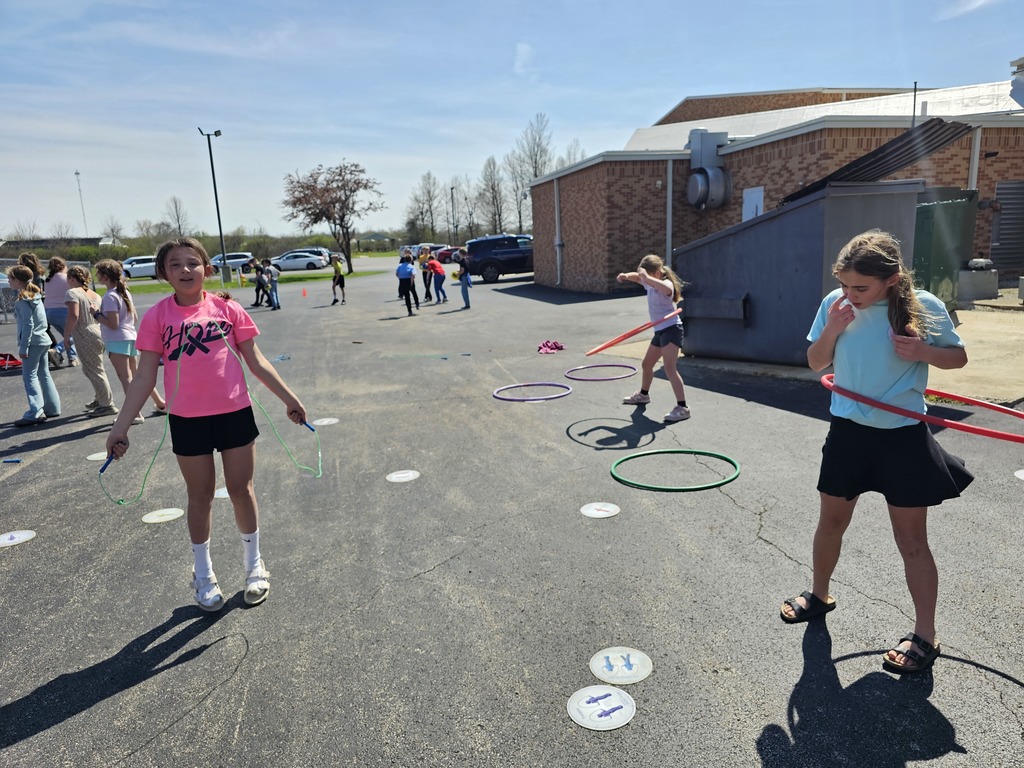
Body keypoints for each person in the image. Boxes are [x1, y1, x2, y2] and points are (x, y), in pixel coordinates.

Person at [779, 230, 973, 676]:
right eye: (845, 285)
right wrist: (832, 327)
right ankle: (819, 594)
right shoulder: (836, 305)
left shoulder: (923, 305)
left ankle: (926, 634)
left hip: (902, 436)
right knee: (831, 522)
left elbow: (956, 359)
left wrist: (922, 350)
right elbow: (815, 363)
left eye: (860, 287)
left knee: (911, 541)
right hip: (848, 433)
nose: (850, 294)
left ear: (891, 279)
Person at [106, 237, 307, 612]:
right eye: (176, 264)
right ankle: (203, 574)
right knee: (199, 496)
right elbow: (144, 375)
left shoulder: (228, 309)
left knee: (240, 489)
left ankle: (254, 567)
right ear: (164, 273)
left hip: (234, 413)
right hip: (187, 420)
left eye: (193, 263)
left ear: (206, 268)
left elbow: (257, 361)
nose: (185, 270)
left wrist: (289, 399)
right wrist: (120, 426)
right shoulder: (157, 317)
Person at [615, 254, 690, 422]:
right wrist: (627, 276)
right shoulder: (649, 282)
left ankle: (683, 407)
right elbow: (637, 278)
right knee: (646, 364)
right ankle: (643, 395)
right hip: (660, 330)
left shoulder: (665, 283)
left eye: (647, 276)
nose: (644, 280)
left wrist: (646, 277)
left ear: (657, 272)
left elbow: (664, 288)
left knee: (669, 368)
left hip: (671, 329)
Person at [94, 259, 166, 423]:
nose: (96, 276)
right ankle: (160, 403)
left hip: (117, 339)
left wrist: (96, 315)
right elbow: (133, 317)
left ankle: (135, 413)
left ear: (105, 277)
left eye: (98, 274)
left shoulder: (110, 296)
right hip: (131, 336)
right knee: (137, 375)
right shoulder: (125, 292)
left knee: (126, 377)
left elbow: (113, 323)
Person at [7, 265, 61, 427]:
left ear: (17, 281)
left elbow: (27, 324)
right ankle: (52, 407)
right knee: (43, 374)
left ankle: (35, 412)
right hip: (43, 340)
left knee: (29, 377)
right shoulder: (35, 295)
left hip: (33, 342)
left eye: (10, 279)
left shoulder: (23, 299)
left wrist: (24, 346)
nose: (8, 282)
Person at [64, 265, 118, 416]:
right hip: (97, 330)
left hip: (84, 332)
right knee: (92, 368)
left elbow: (73, 315)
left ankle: (107, 404)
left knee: (94, 370)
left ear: (72, 278)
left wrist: (66, 335)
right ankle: (100, 397)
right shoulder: (94, 294)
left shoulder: (72, 293)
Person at [43, 257, 77, 367]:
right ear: (63, 266)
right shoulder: (67, 278)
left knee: (66, 335)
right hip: (63, 310)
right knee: (75, 335)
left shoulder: (48, 279)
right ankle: (57, 350)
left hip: (49, 311)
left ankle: (72, 358)